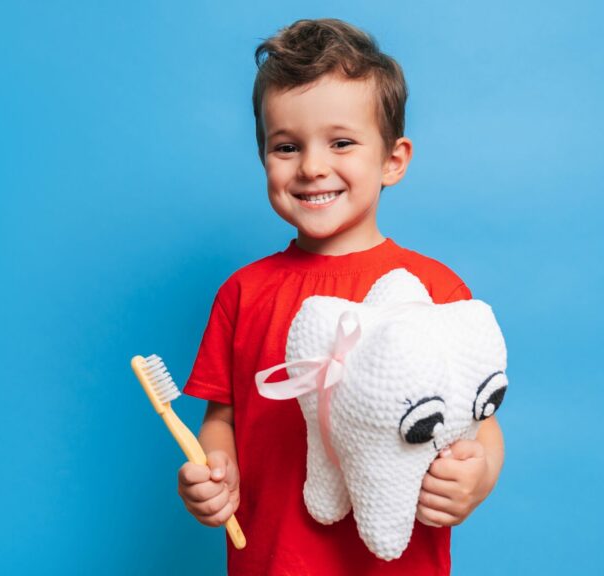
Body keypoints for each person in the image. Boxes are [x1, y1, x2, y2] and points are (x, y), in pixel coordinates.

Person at [177, 18, 505, 575]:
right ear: (263, 158)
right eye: (286, 146)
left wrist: (477, 477)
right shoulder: (243, 292)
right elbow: (221, 417)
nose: (311, 166)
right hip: (271, 559)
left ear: (392, 160)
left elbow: (481, 424)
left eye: (341, 142)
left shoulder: (436, 292)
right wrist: (214, 468)